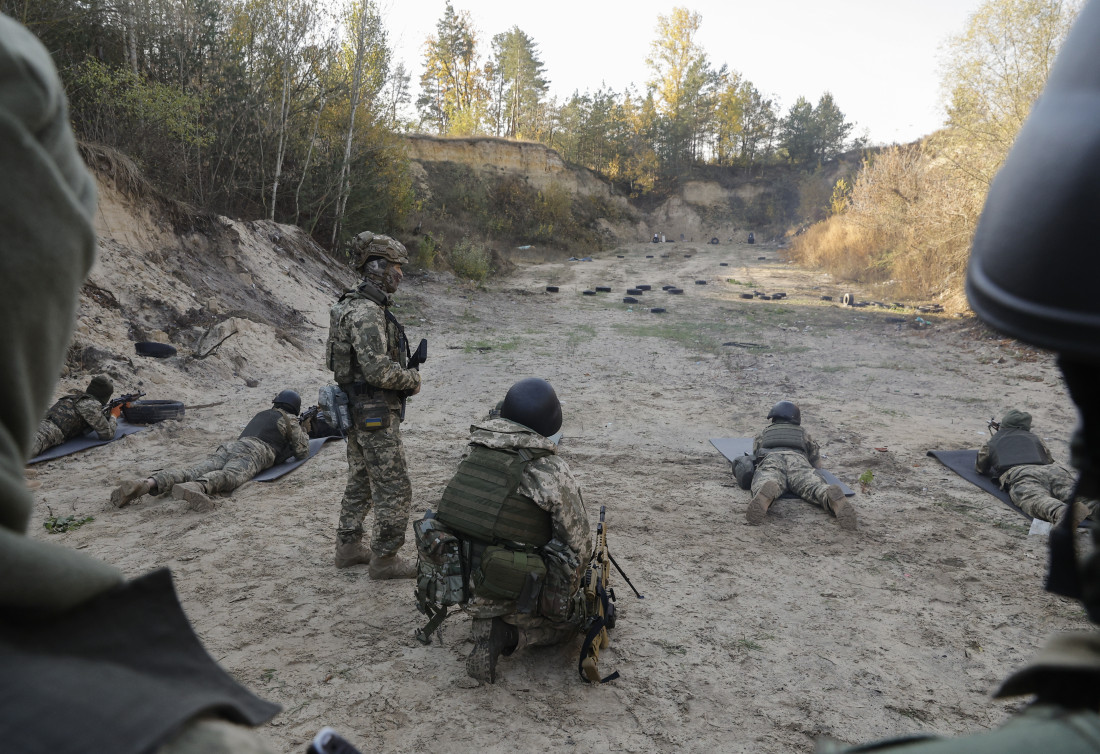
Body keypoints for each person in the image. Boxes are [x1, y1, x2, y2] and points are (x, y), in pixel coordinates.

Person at [817, 3, 1100, 750]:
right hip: (1038, 472)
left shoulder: (1012, 447)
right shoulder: (1030, 446)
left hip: (1031, 479)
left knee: (1040, 496)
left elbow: (990, 465)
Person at [0, 12, 279, 752]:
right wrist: (115, 417)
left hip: (212, 441)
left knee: (204, 464)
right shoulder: (136, 729)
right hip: (240, 451)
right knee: (222, 470)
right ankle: (177, 483)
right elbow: (99, 426)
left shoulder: (76, 399)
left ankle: (160, 482)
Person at [432, 378, 593, 683]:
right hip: (517, 591)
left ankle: (488, 616)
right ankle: (509, 634)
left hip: (461, 583)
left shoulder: (473, 451)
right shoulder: (550, 470)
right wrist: (569, 592)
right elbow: (579, 547)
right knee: (574, 623)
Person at [327, 231, 422, 579]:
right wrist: (412, 380)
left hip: (357, 408)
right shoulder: (367, 312)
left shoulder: (348, 304)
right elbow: (377, 370)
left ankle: (349, 547)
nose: (400, 274)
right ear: (377, 267)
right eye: (396, 266)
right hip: (375, 412)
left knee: (361, 479)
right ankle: (385, 559)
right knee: (394, 487)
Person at [110, 390, 309, 512]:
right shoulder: (289, 419)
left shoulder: (262, 413)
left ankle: (146, 483)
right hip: (254, 451)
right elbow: (302, 450)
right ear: (294, 408)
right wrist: (304, 431)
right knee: (230, 477)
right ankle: (198, 487)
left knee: (193, 470)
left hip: (231, 446)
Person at [746, 400, 857, 530]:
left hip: (772, 459)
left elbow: (756, 454)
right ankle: (829, 498)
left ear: (774, 417)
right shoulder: (804, 433)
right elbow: (817, 463)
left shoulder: (764, 433)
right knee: (813, 486)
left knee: (766, 479)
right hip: (798, 461)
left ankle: (767, 496)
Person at [976, 409, 1094, 527]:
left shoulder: (992, 442)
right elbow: (1048, 459)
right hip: (1053, 470)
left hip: (1022, 473)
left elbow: (981, 468)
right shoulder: (1036, 438)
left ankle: (1063, 513)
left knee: (1035, 498)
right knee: (1077, 495)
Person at [29, 374, 116, 457]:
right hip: (48, 432)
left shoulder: (73, 397)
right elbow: (107, 435)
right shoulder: (91, 405)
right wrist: (114, 415)